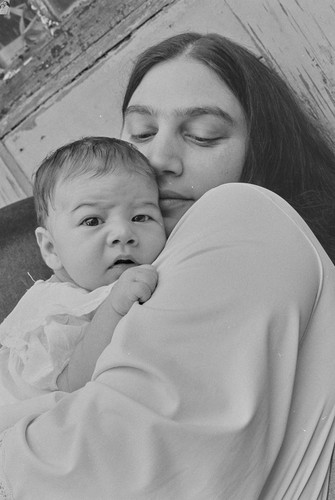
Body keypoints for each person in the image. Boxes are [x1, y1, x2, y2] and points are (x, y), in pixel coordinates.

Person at [0, 32, 335, 500]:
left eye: (202, 136)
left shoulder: (243, 213)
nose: (157, 159)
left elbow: (92, 472)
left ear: (262, 150)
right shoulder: (83, 280)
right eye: (140, 133)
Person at [0, 136, 166, 402]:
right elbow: (72, 385)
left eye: (140, 217)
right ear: (52, 249)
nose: (123, 233)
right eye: (92, 221)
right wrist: (113, 308)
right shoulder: (55, 312)